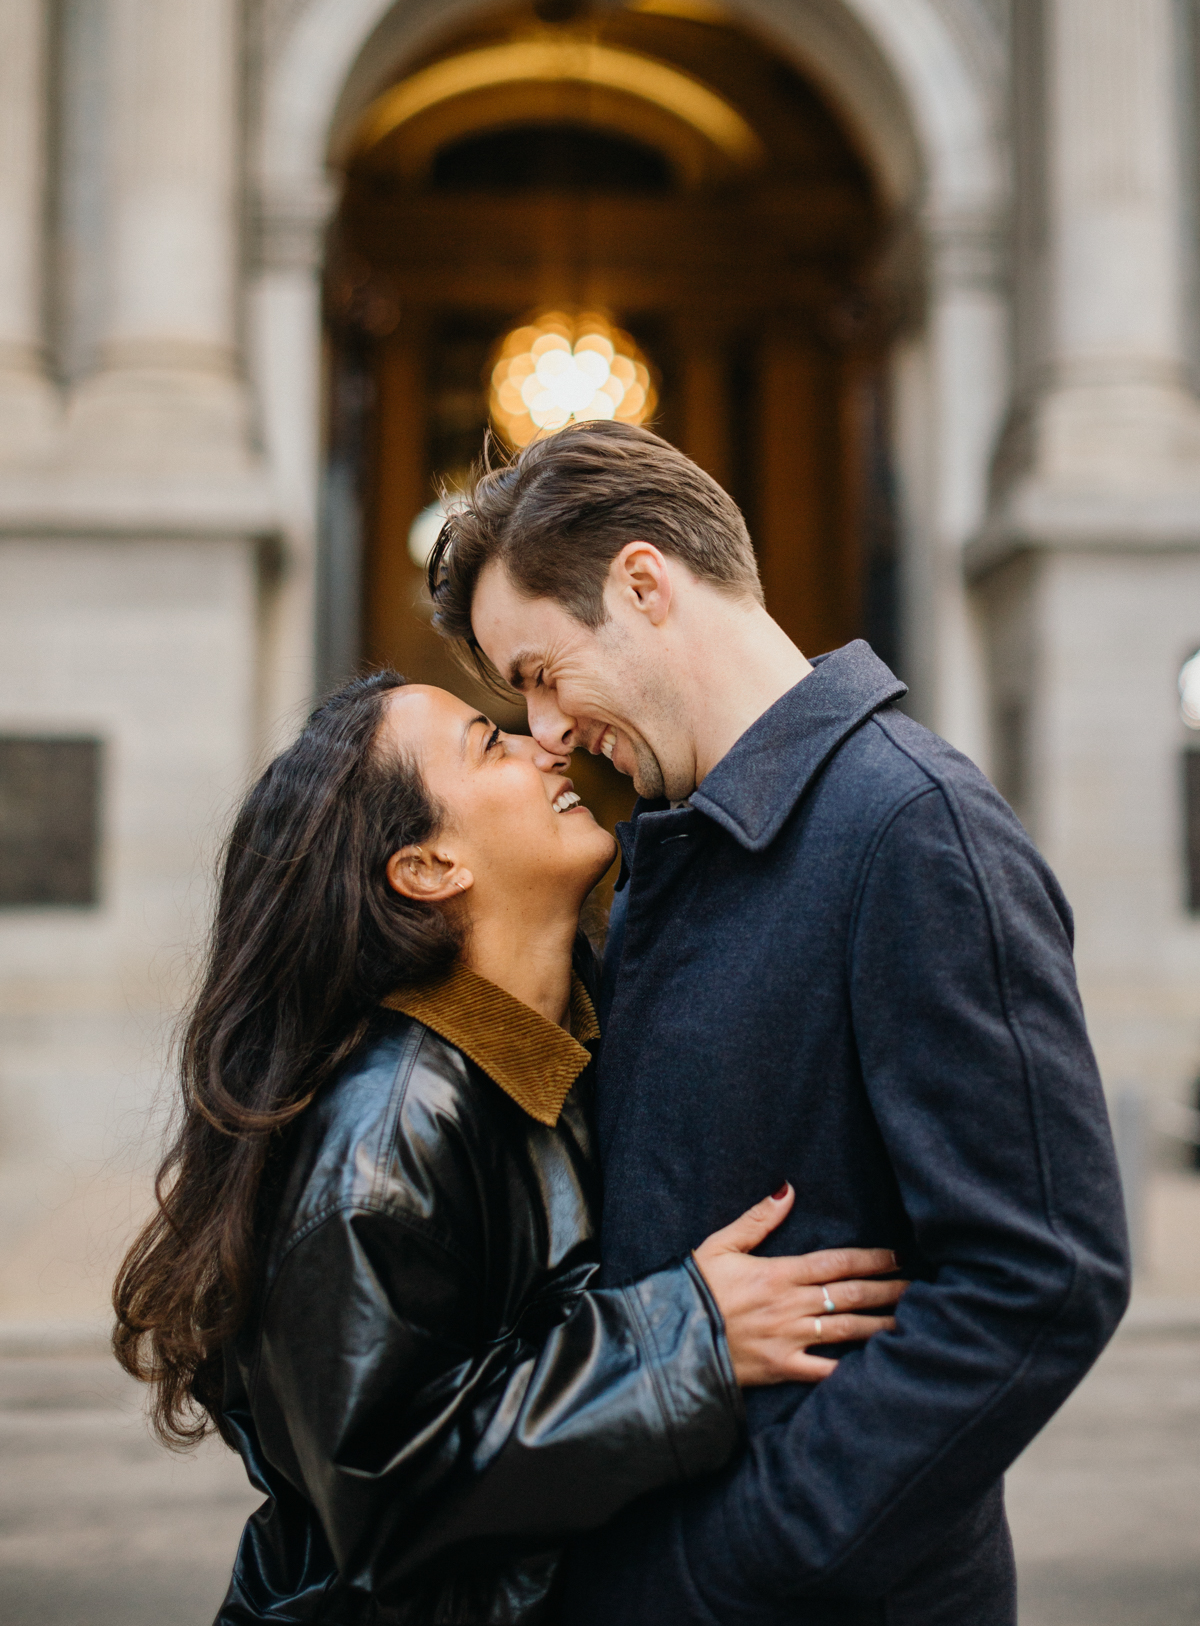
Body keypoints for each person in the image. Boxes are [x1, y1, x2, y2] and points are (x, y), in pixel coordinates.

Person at [428, 419, 1132, 1626]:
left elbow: (1044, 1277)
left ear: (644, 585)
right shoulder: (668, 842)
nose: (545, 730)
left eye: (543, 672)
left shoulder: (914, 829)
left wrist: (739, 1563)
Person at [111, 671, 905, 1624]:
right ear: (429, 866)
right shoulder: (380, 1137)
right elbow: (384, 1489)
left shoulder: (582, 1042)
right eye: (491, 744)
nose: (546, 746)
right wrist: (687, 1342)